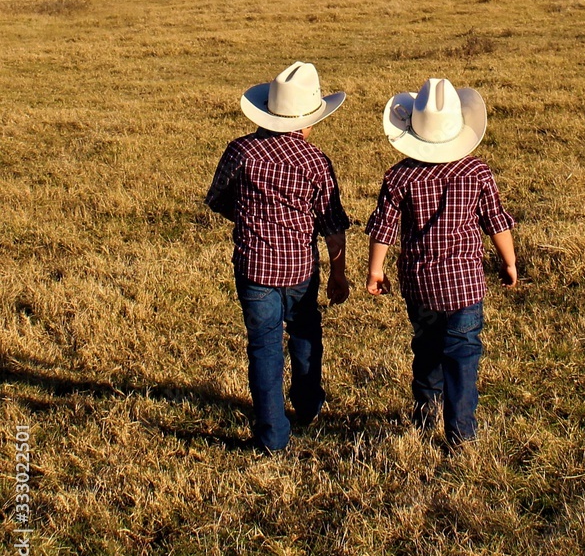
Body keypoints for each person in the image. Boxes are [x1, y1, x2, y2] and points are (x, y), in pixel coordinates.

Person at [205, 61, 350, 453]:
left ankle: (272, 435)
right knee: (305, 333)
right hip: (301, 268)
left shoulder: (241, 151)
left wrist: (250, 214)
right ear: (306, 121)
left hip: (254, 267)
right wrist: (339, 273)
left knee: (263, 346)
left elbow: (218, 199)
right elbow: (333, 225)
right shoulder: (315, 162)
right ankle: (307, 403)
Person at [366, 77, 517, 446]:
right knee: (462, 355)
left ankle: (425, 416)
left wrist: (376, 270)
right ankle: (461, 432)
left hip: (420, 283)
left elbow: (384, 228)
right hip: (465, 284)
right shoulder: (477, 171)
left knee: (427, 348)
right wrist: (509, 261)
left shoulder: (400, 175)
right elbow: (495, 221)